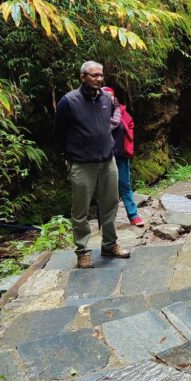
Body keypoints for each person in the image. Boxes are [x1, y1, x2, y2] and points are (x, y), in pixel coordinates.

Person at [54, 61, 130, 268]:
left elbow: (109, 126)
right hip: (81, 163)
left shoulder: (107, 99)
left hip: (107, 161)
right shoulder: (68, 101)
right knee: (81, 211)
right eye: (93, 75)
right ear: (82, 77)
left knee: (110, 205)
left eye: (100, 75)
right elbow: (58, 132)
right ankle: (83, 252)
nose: (98, 78)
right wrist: (67, 156)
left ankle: (110, 245)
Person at [104, 86, 144, 227]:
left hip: (121, 155)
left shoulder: (121, 111)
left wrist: (129, 140)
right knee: (109, 189)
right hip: (105, 157)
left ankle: (133, 216)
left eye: (110, 95)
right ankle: (109, 221)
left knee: (125, 185)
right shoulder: (97, 113)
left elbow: (130, 124)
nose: (108, 98)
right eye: (104, 95)